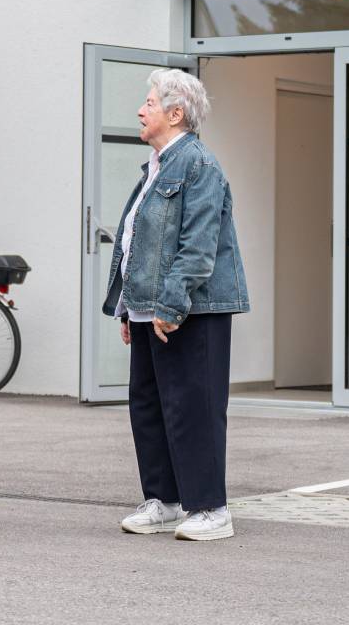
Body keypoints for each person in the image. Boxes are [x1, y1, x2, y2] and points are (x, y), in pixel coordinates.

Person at [103, 68, 249, 542]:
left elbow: (198, 244)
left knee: (194, 405)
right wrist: (129, 305)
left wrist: (171, 302)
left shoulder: (198, 165)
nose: (140, 111)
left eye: (148, 103)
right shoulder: (156, 167)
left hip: (192, 308)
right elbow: (138, 241)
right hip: (151, 308)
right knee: (149, 405)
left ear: (175, 113)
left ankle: (210, 508)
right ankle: (163, 500)